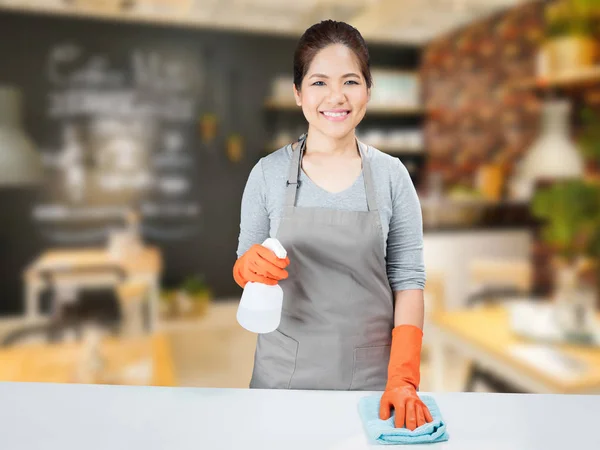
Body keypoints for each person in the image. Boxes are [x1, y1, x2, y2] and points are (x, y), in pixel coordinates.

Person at [233, 20, 432, 431]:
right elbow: (243, 263)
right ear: (298, 93)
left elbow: (408, 282)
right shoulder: (267, 174)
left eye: (351, 81)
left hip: (373, 382)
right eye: (319, 82)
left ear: (368, 91)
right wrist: (246, 267)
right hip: (282, 378)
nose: (336, 97)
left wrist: (404, 378)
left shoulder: (393, 177)